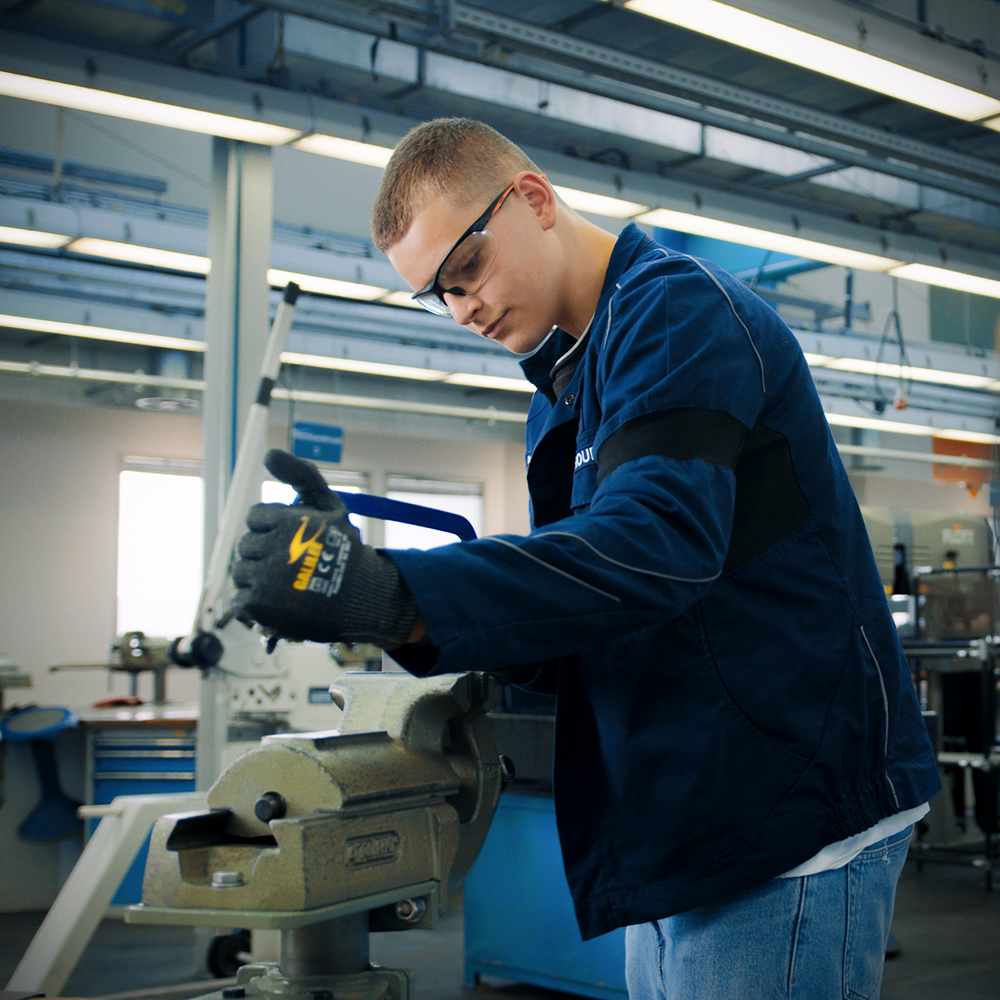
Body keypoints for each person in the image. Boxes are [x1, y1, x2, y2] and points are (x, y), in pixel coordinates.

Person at [232, 118, 940, 999]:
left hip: (783, 804)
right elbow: (577, 611)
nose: (463, 310)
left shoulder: (678, 313)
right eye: (436, 297)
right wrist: (380, 591)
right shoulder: (567, 388)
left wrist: (394, 593)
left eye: (467, 271)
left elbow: (651, 550)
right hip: (687, 806)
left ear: (531, 198)